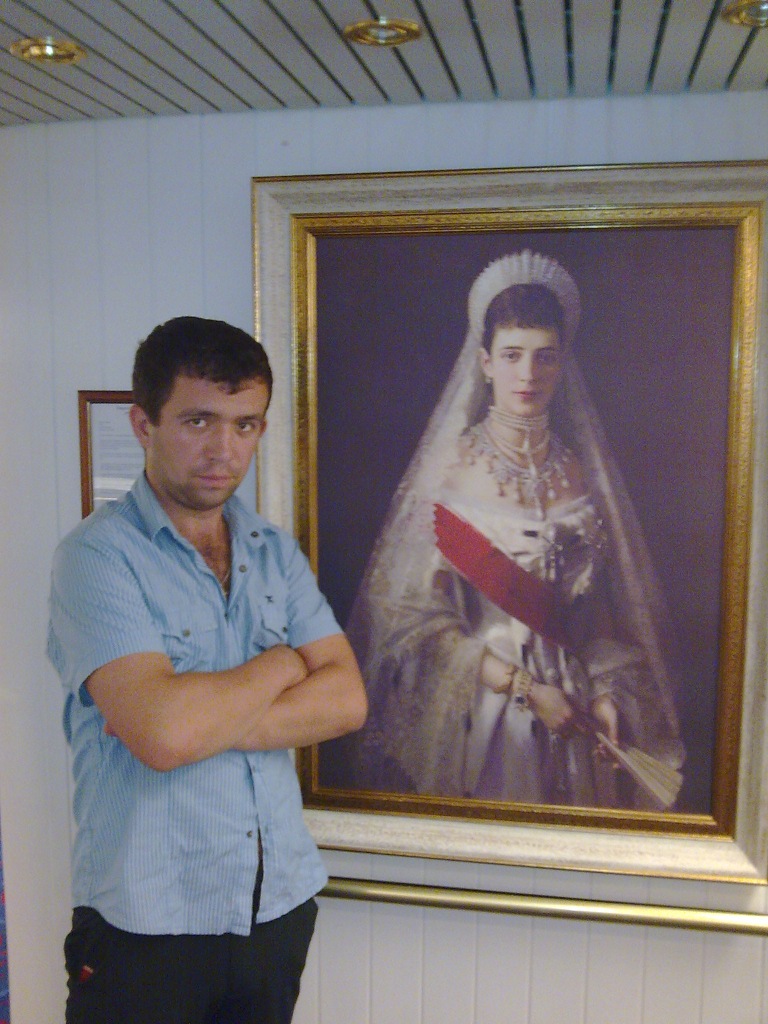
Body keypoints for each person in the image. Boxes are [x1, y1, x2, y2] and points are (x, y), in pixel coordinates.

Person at [47, 316, 367, 1024]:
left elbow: (346, 700)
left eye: (245, 425)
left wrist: (200, 720)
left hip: (274, 908)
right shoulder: (96, 558)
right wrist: (284, 662)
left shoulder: (274, 552)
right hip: (145, 925)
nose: (224, 450)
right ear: (144, 424)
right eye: (199, 421)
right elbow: (164, 736)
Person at [336, 251, 683, 808]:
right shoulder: (451, 468)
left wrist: (603, 695)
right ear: (485, 362)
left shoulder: (579, 471)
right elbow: (411, 621)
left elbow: (595, 614)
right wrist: (524, 688)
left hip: (572, 714)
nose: (529, 374)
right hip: (488, 713)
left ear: (562, 364)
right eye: (513, 355)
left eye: (545, 356)